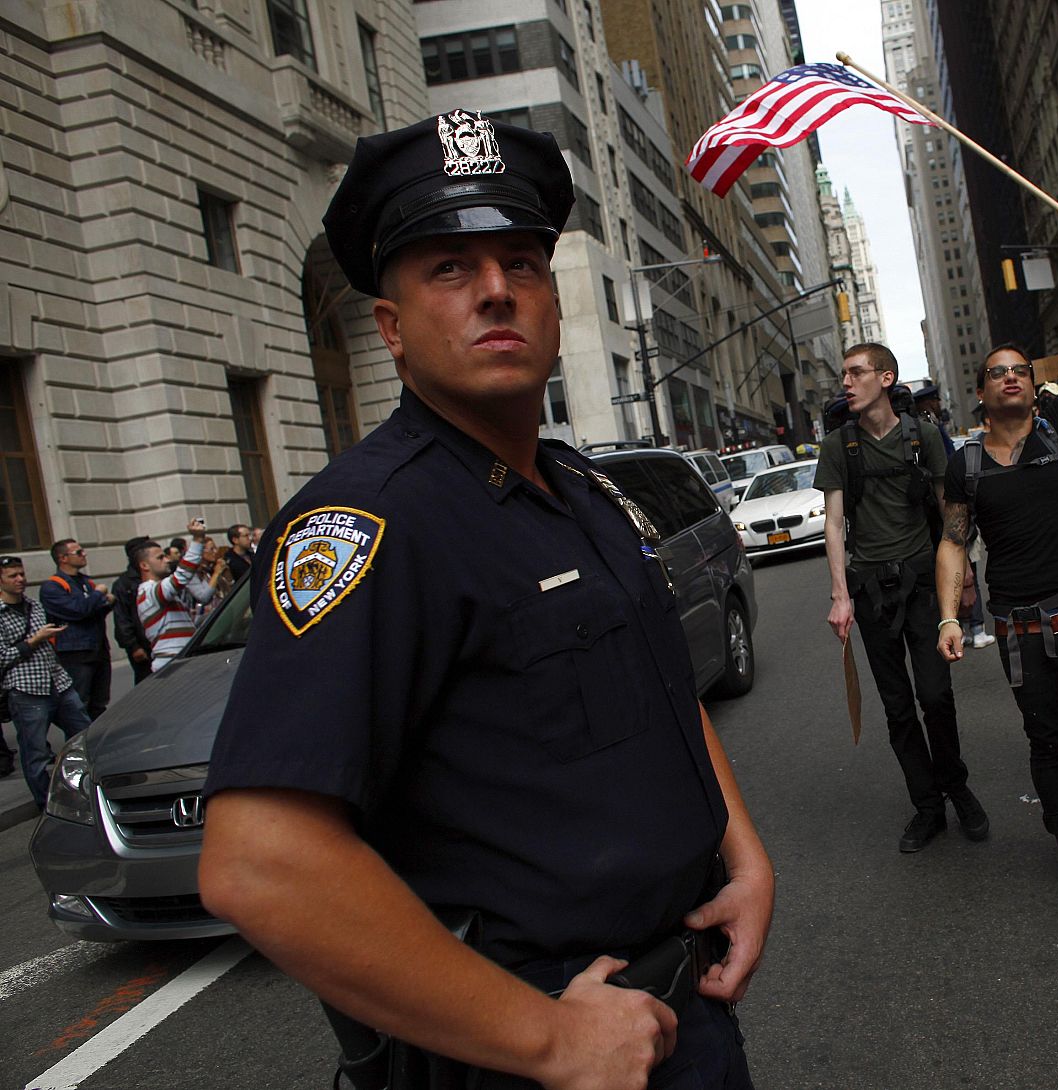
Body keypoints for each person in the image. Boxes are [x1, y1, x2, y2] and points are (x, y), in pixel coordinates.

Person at [197, 112, 773, 1090]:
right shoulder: (367, 521)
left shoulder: (582, 491)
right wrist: (546, 1041)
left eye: (520, 262)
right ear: (390, 328)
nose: (497, 289)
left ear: (552, 302)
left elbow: (662, 693)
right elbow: (259, 861)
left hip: (679, 1008)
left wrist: (742, 855)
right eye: (450, 269)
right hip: (531, 1046)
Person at [936, 344, 1058, 915]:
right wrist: (951, 616)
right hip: (1021, 633)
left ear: (1032, 383)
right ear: (981, 392)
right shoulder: (967, 465)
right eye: (996, 372)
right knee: (1045, 742)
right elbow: (954, 543)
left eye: (1019, 370)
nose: (1009, 378)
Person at [818, 342, 988, 852]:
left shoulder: (925, 437)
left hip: (922, 584)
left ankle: (956, 786)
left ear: (886, 377)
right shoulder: (838, 446)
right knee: (897, 708)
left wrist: (963, 578)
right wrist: (840, 596)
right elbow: (832, 522)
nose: (846, 382)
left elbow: (948, 511)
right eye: (843, 374)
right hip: (870, 590)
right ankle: (927, 806)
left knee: (935, 695)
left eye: (856, 372)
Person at [0, 555, 90, 809]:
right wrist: (35, 640)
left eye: (21, 574)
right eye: (12, 576)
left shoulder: (33, 605)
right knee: (36, 753)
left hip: (57, 683)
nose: (20, 580)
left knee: (85, 737)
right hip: (26, 689)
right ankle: (48, 805)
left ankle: (87, 792)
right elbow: (2, 656)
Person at [39, 538, 114, 720]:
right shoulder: (53, 586)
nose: (84, 554)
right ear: (63, 558)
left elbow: (96, 608)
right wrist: (98, 595)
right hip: (76, 653)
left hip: (98, 649)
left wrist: (103, 601)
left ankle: (97, 741)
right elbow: (79, 610)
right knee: (79, 705)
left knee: (99, 702)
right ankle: (78, 744)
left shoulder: (85, 582)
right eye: (78, 552)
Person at [135, 521, 216, 671]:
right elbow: (182, 576)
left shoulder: (155, 591)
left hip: (179, 660)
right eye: (160, 558)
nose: (167, 560)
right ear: (144, 566)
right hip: (172, 663)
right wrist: (198, 539)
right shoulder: (149, 591)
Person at [111, 536, 157, 683]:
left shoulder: (157, 577)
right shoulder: (123, 584)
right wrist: (133, 646)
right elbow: (122, 618)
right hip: (142, 644)